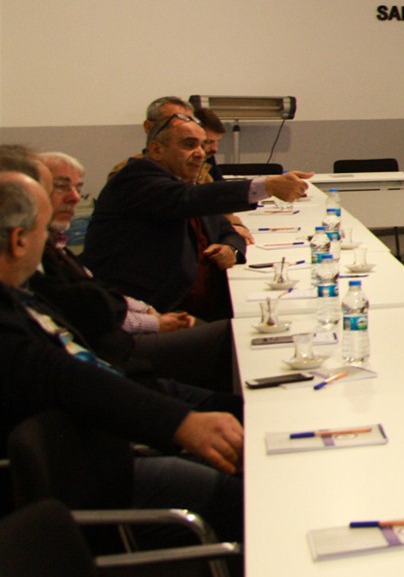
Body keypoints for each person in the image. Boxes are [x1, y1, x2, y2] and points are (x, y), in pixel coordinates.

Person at [0, 172, 243, 541]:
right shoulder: (11, 312)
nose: (48, 242)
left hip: (101, 432)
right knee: (241, 496)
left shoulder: (19, 294)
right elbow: (66, 375)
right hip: (86, 469)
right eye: (43, 230)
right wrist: (181, 423)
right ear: (19, 240)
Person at [30, 151, 237, 392]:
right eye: (61, 187)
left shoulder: (56, 244)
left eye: (78, 188)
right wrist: (154, 323)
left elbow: (99, 290)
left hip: (132, 327)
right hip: (112, 352)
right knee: (233, 337)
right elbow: (92, 314)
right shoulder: (37, 256)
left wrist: (147, 311)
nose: (75, 197)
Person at [85, 112, 312, 313]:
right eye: (189, 144)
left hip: (210, 302)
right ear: (156, 150)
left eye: (203, 145)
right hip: (159, 311)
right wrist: (267, 186)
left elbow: (226, 229)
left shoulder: (187, 184)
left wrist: (231, 249)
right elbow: (187, 200)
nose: (200, 153)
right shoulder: (135, 179)